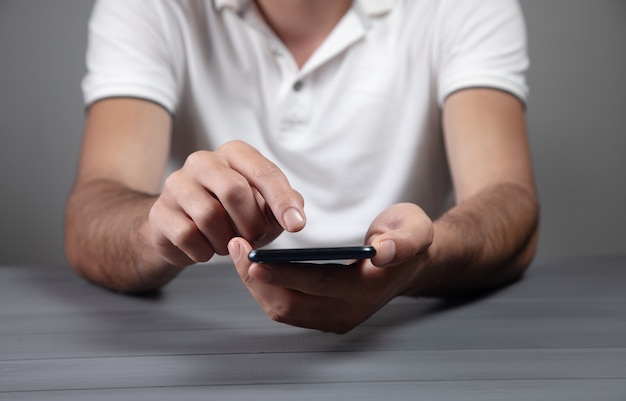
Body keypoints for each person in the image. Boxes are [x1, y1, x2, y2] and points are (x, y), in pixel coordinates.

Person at [65, 0, 539, 334]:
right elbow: (92, 212)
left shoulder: (464, 7)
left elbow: (509, 203)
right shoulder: (149, 7)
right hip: (205, 331)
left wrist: (422, 262)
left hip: (399, 331)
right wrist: (159, 231)